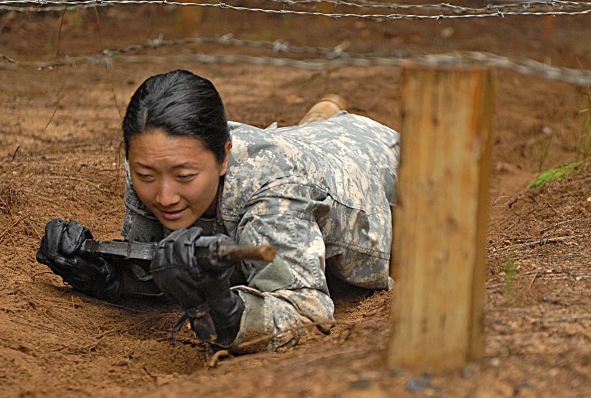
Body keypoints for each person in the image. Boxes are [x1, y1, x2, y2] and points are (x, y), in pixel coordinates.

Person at [35, 69, 400, 353]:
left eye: (184, 175)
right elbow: (157, 266)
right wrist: (100, 273)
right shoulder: (159, 162)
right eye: (145, 174)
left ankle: (331, 115)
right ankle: (325, 113)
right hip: (304, 142)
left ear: (223, 157)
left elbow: (308, 312)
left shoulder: (273, 193)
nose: (164, 196)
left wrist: (223, 308)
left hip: (379, 160)